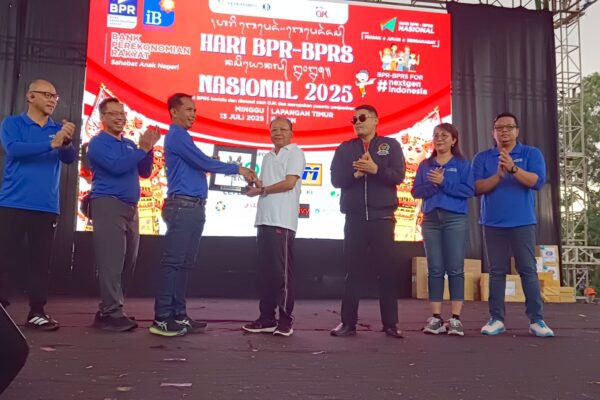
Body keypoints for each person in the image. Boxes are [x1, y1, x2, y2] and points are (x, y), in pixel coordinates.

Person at [150, 93, 257, 337]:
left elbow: (199, 163)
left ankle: (178, 314)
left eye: (195, 110)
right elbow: (202, 162)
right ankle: (162, 318)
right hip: (183, 207)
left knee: (184, 263)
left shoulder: (184, 137)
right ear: (174, 112)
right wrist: (237, 168)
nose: (193, 115)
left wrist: (210, 162)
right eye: (188, 109)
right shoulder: (177, 135)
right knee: (173, 262)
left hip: (193, 207)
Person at [0, 79, 76, 331]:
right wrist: (51, 143)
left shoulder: (58, 128)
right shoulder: (13, 123)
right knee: (4, 256)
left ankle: (37, 312)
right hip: (12, 203)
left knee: (40, 262)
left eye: (55, 96)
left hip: (45, 206)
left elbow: (69, 158)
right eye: (47, 95)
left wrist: (66, 141)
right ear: (30, 97)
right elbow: (14, 149)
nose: (53, 100)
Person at [473, 112, 554, 337]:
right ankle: (496, 319)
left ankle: (537, 320)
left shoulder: (531, 153)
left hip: (522, 222)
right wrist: (498, 176)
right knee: (496, 271)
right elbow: (476, 188)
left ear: (517, 131)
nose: (504, 132)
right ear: (493, 133)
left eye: (509, 127)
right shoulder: (483, 157)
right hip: (492, 222)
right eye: (499, 128)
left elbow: (537, 182)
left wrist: (513, 169)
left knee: (527, 270)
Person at [330, 104, 406, 338]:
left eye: (362, 118)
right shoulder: (345, 148)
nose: (357, 122)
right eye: (354, 119)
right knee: (353, 272)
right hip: (354, 218)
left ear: (375, 120)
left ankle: (391, 324)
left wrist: (376, 169)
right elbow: (336, 180)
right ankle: (347, 323)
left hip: (382, 218)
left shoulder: (390, 145)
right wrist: (355, 174)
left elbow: (399, 175)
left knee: (387, 271)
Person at [87, 98, 160, 332]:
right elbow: (117, 167)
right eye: (114, 113)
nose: (120, 117)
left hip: (131, 208)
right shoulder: (97, 143)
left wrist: (149, 148)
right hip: (108, 204)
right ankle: (111, 312)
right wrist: (142, 149)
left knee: (129, 261)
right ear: (103, 118)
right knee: (111, 263)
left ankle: (110, 309)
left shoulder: (129, 144)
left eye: (122, 113)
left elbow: (145, 172)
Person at [241, 117, 306, 337]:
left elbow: (289, 183)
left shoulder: (295, 153)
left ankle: (285, 321)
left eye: (282, 129)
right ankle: (267, 318)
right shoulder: (267, 156)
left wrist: (261, 190)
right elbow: (266, 185)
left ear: (291, 133)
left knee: (281, 275)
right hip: (263, 219)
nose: (278, 133)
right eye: (274, 129)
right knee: (266, 274)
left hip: (282, 221)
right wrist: (254, 182)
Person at [411, 123, 474, 336]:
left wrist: (444, 182)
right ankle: (436, 318)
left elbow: (468, 190)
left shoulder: (462, 164)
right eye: (436, 135)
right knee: (435, 268)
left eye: (444, 135)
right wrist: (434, 184)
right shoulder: (425, 165)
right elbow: (416, 191)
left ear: (454, 140)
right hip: (431, 220)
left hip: (455, 219)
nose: (439, 139)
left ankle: (455, 318)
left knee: (455, 267)